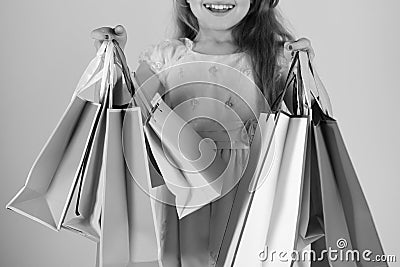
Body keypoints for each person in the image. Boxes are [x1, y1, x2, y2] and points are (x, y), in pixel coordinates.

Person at [91, 0, 333, 266]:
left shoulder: (274, 57)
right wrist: (112, 61)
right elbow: (125, 118)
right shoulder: (167, 57)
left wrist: (304, 70)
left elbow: (316, 121)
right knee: (192, 258)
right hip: (185, 189)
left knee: (249, 253)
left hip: (252, 187)